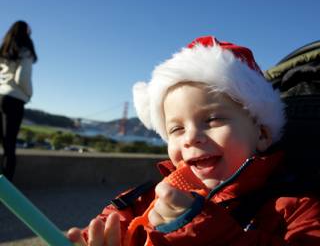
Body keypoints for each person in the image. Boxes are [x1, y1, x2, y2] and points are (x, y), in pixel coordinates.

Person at [68, 36, 320, 245]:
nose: (190, 137)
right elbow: (110, 224)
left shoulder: (297, 209)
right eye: (176, 129)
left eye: (211, 120)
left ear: (262, 134)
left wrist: (207, 232)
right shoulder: (140, 203)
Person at [0, 20, 37, 181]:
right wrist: (29, 94)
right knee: (10, 145)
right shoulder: (25, 52)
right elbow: (22, 78)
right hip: (14, 100)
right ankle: (7, 187)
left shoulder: (4, 52)